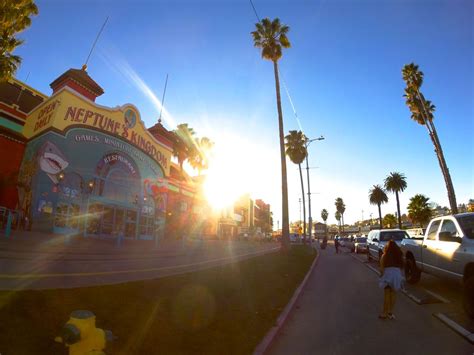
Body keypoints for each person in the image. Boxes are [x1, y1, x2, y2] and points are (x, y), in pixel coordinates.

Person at [378, 240, 404, 320]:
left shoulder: (384, 256)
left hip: (388, 275)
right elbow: (401, 267)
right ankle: (390, 312)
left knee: (387, 294)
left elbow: (381, 269)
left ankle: (384, 313)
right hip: (396, 275)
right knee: (393, 294)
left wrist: (381, 276)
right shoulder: (399, 256)